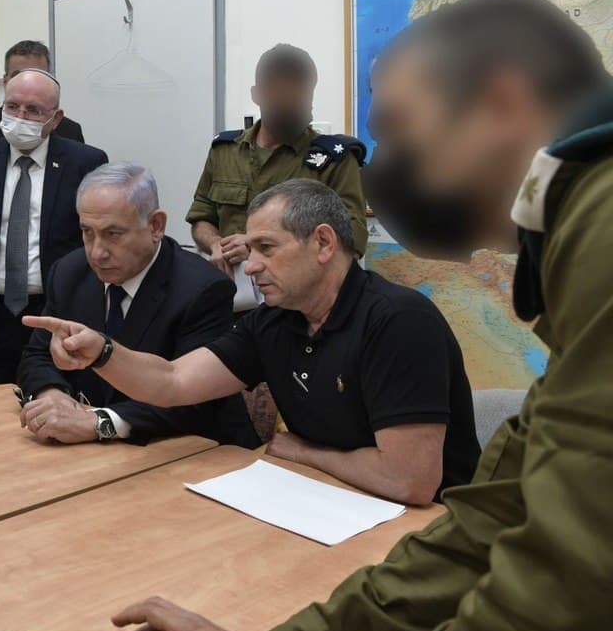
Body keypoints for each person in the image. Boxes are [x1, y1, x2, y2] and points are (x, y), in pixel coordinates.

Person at [89, 0, 613, 631]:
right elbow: (489, 524)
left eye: (398, 128)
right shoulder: (580, 234)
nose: (384, 169)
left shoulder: (597, 231)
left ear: (503, 104)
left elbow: (560, 591)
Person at [27, 178, 480, 503]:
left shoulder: (398, 321)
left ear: (323, 244)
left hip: (429, 528)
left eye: (267, 248)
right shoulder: (276, 321)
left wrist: (304, 452)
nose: (251, 266)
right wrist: (103, 352)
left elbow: (409, 482)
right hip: (324, 501)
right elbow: (173, 381)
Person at [17, 162, 258, 447]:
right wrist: (52, 394)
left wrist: (100, 422)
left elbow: (194, 400)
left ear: (156, 226)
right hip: (92, 450)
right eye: (87, 232)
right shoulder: (70, 272)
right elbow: (37, 355)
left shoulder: (203, 289)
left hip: (189, 451)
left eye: (113, 234)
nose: (97, 252)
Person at [0, 69, 107, 388]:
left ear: (56, 119)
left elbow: (95, 242)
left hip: (57, 312)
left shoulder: (86, 163)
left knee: (52, 397)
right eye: (12, 107)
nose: (20, 117)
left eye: (33, 111)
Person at [187, 43, 368, 275]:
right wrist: (216, 245)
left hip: (298, 292)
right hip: (231, 288)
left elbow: (351, 241)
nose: (292, 104)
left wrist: (255, 246)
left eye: (301, 94)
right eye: (282, 95)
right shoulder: (225, 152)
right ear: (257, 95)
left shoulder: (334, 161)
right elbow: (202, 217)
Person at [0, 41, 84, 155]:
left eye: (36, 75)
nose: (26, 82)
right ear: (5, 81)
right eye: (18, 75)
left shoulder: (70, 132)